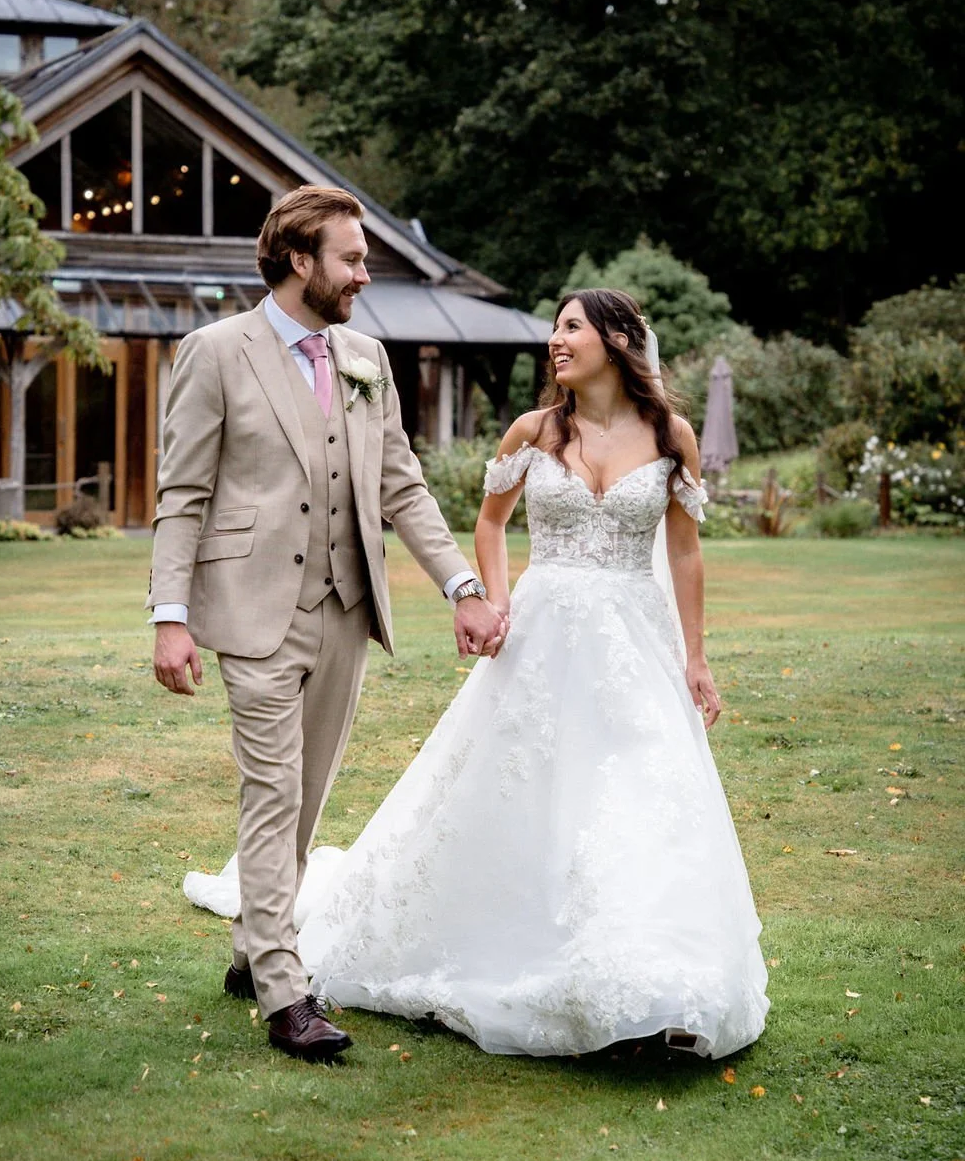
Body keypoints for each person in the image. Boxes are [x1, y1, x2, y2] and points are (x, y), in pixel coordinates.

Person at [293, 288, 770, 1059]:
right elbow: (490, 521)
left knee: (639, 793)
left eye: (571, 327)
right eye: (554, 327)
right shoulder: (534, 430)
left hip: (632, 640)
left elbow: (683, 549)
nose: (555, 340)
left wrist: (696, 655)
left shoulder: (668, 434)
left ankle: (653, 975)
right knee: (526, 784)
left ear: (616, 340)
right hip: (543, 632)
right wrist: (497, 596)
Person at [147, 184, 506, 1062]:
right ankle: (283, 988)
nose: (365, 273)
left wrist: (461, 583)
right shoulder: (216, 351)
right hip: (254, 611)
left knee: (304, 799)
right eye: (351, 258)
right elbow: (183, 494)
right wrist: (170, 615)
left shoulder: (365, 357)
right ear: (300, 260)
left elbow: (402, 487)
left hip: (348, 611)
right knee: (271, 793)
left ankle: (247, 950)